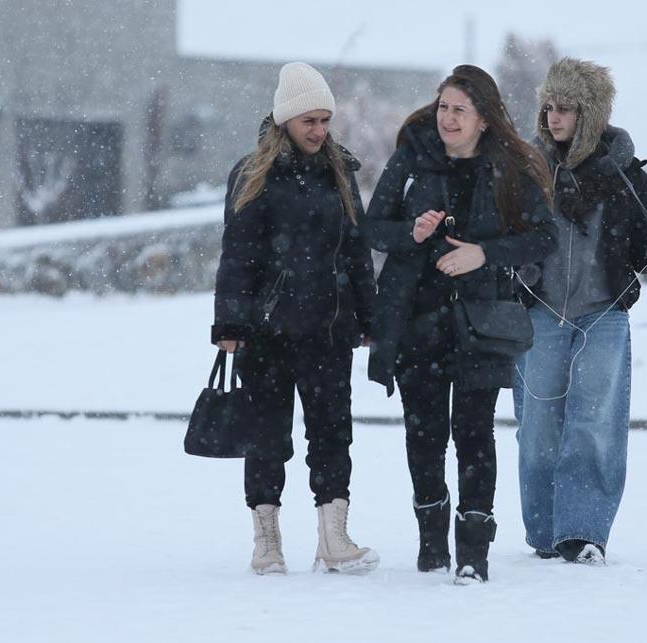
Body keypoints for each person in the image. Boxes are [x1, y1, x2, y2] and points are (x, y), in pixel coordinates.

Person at [362, 65, 557, 583]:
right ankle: (431, 546)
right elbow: (372, 228)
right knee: (423, 436)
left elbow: (543, 237)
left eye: (460, 110)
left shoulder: (509, 169)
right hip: (416, 320)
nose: (448, 118)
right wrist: (412, 231)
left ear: (484, 119)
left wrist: (483, 254)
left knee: (474, 435)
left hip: (481, 322)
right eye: (444, 107)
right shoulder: (411, 159)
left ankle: (473, 552)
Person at [211, 62, 379, 575]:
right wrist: (230, 327)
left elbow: (356, 253)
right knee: (267, 436)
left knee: (333, 433)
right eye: (309, 120)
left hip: (328, 331)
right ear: (285, 119)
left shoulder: (340, 174)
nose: (319, 130)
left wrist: (368, 319)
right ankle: (267, 540)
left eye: (325, 120)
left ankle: (334, 537)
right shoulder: (253, 174)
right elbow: (237, 255)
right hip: (267, 333)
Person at [514, 58, 647, 565]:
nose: (553, 117)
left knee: (594, 422)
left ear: (589, 114)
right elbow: (504, 235)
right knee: (538, 423)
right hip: (539, 310)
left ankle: (582, 532)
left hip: (604, 312)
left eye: (565, 108)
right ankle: (545, 531)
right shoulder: (528, 169)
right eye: (548, 107)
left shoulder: (626, 174)